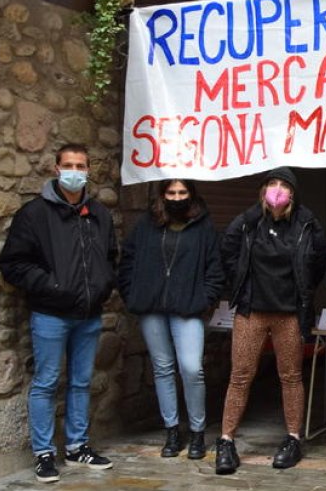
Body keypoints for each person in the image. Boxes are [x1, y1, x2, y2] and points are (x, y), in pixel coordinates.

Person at [0, 143, 118, 484]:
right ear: (56, 168)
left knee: (81, 382)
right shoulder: (34, 214)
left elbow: (111, 257)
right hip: (50, 314)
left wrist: (103, 285)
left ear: (89, 170)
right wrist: (51, 286)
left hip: (89, 314)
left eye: (81, 165)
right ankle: (44, 453)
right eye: (69, 164)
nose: (75, 171)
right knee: (46, 383)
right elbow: (13, 263)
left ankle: (78, 447)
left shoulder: (99, 214)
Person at [215, 167, 325, 475]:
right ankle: (226, 440)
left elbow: (318, 262)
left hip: (288, 312)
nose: (277, 190)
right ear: (263, 191)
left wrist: (302, 291)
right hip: (252, 310)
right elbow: (227, 249)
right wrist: (252, 213)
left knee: (290, 376)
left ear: (293, 192)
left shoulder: (306, 223)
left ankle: (292, 438)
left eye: (283, 186)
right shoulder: (250, 222)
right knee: (240, 375)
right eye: (271, 185)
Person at [117, 179, 225, 461]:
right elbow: (127, 260)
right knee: (163, 369)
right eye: (171, 192)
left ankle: (198, 430)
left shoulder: (203, 227)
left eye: (182, 192)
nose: (177, 197)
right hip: (152, 307)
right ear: (162, 195)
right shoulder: (146, 225)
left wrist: (205, 298)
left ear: (191, 194)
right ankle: (172, 430)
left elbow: (216, 268)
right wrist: (132, 294)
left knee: (191, 368)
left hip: (188, 308)